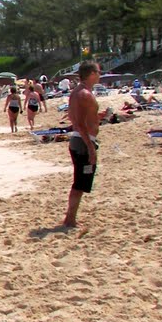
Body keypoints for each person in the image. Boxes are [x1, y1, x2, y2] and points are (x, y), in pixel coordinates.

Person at [63, 61, 102, 228]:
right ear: (92, 73)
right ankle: (70, 219)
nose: (100, 75)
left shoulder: (79, 92)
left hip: (80, 140)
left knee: (81, 181)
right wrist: (91, 147)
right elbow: (79, 123)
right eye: (98, 72)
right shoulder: (83, 93)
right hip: (82, 142)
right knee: (79, 182)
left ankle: (71, 218)